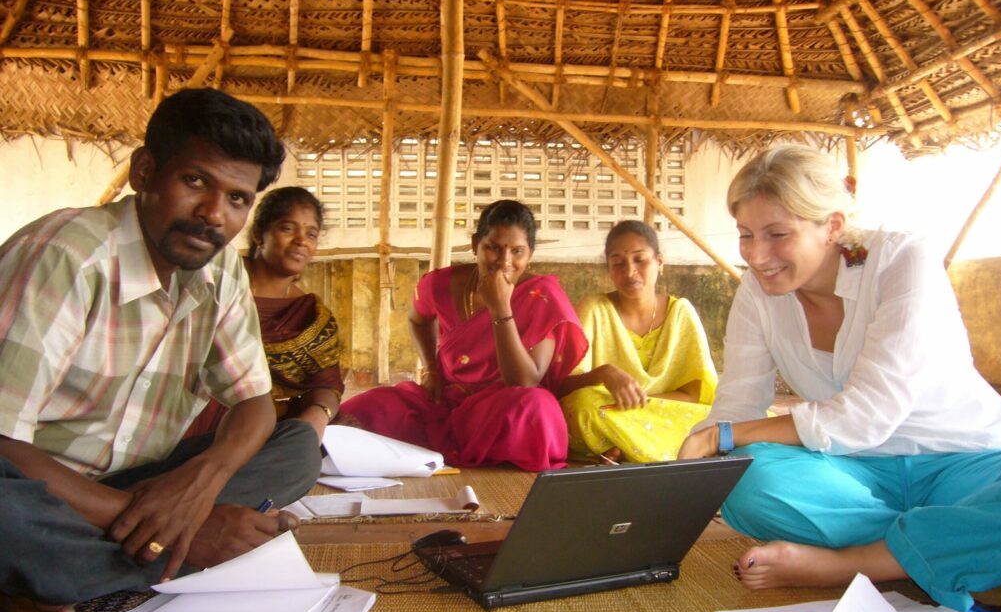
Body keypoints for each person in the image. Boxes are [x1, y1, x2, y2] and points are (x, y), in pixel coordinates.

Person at [0, 88, 322, 612]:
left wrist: (201, 481)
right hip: (38, 485)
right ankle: (179, 553)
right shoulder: (65, 256)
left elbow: (254, 403)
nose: (212, 215)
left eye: (238, 199)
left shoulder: (220, 273)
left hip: (145, 483)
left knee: (297, 449)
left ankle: (50, 574)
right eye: (195, 182)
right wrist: (195, 528)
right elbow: (4, 443)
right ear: (145, 171)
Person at [678, 144, 1001, 612]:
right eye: (745, 234)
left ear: (833, 226)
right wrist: (697, 466)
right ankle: (948, 543)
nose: (757, 256)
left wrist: (723, 436)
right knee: (744, 482)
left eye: (777, 234)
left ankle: (847, 564)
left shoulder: (901, 260)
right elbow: (737, 404)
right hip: (854, 471)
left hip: (972, 462)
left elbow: (865, 416)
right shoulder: (757, 296)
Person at [340, 199, 588, 471]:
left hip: (499, 407)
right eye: (494, 248)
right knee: (367, 407)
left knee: (537, 409)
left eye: (517, 251)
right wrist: (431, 370)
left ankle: (439, 451)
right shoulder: (440, 284)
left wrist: (500, 308)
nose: (505, 261)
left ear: (530, 254)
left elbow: (525, 381)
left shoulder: (540, 296)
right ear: (475, 245)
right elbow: (417, 319)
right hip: (444, 402)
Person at [185, 186, 353, 441]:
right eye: (288, 228)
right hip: (191, 415)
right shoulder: (215, 282)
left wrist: (318, 415)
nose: (301, 240)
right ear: (259, 234)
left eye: (311, 234)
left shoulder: (313, 316)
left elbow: (326, 384)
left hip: (273, 427)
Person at [559, 220, 717, 463]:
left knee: (725, 418)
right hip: (609, 410)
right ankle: (658, 451)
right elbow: (565, 385)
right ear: (609, 269)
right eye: (618, 263)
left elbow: (696, 394)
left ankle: (624, 448)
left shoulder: (681, 312)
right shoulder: (595, 308)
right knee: (583, 406)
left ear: (659, 262)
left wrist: (638, 404)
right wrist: (604, 374)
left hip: (658, 413)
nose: (629, 271)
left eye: (640, 260)